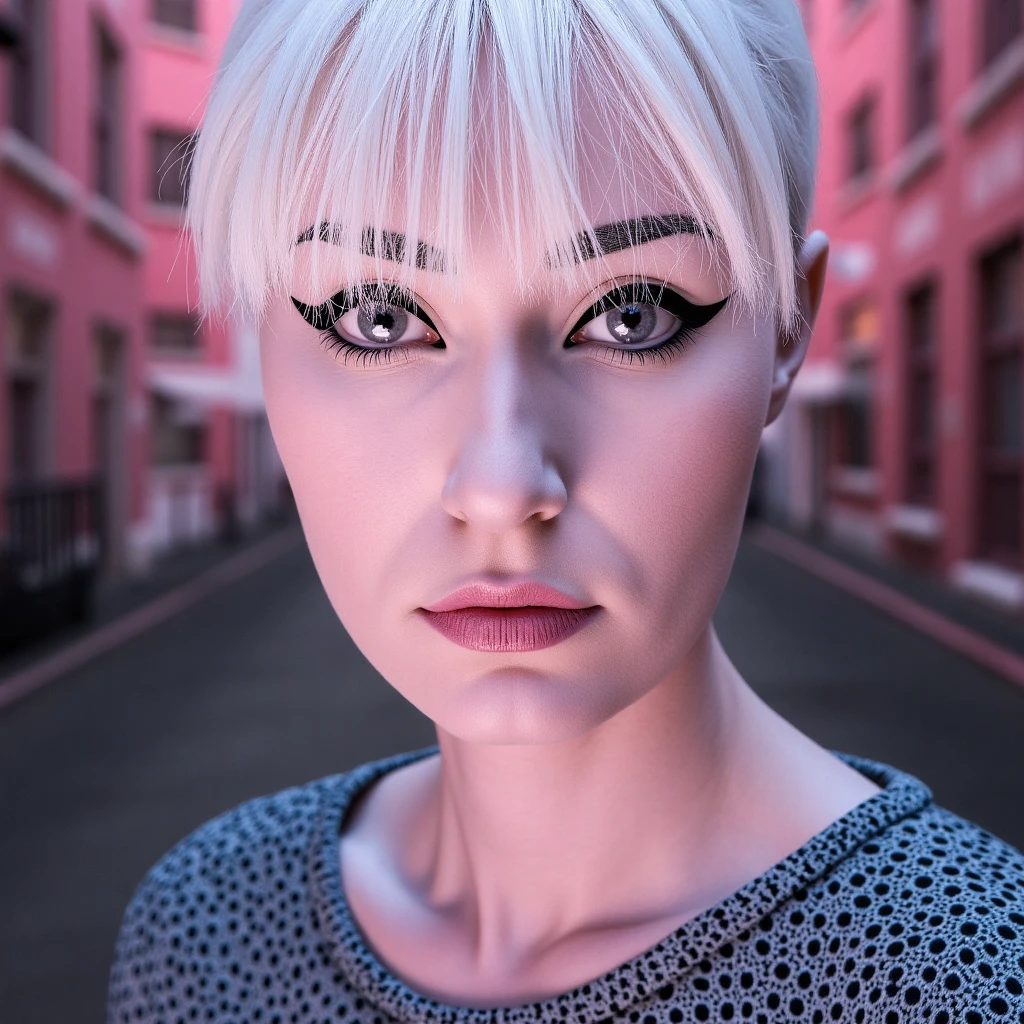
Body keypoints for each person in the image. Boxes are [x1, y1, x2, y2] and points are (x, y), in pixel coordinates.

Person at [107, 1, 1024, 1021]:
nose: (502, 484)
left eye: (630, 315)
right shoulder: (203, 928)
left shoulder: (969, 978)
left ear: (789, 332)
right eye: (380, 316)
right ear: (256, 337)